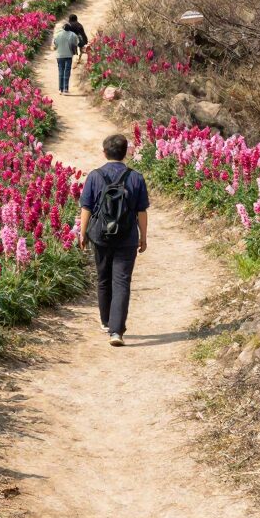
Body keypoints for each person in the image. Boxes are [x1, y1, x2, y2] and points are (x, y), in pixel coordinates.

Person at [77, 134, 150, 346]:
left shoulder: (95, 176)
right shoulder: (136, 178)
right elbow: (141, 211)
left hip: (100, 236)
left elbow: (86, 208)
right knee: (122, 282)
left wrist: (83, 234)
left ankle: (106, 321)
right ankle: (116, 331)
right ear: (126, 152)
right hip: (127, 237)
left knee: (103, 279)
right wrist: (143, 237)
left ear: (104, 152)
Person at [52, 20, 81, 95]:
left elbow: (55, 45)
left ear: (63, 28)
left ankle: (60, 89)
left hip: (59, 56)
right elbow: (76, 43)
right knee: (67, 72)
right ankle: (65, 89)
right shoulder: (73, 35)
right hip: (69, 55)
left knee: (61, 72)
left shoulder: (57, 35)